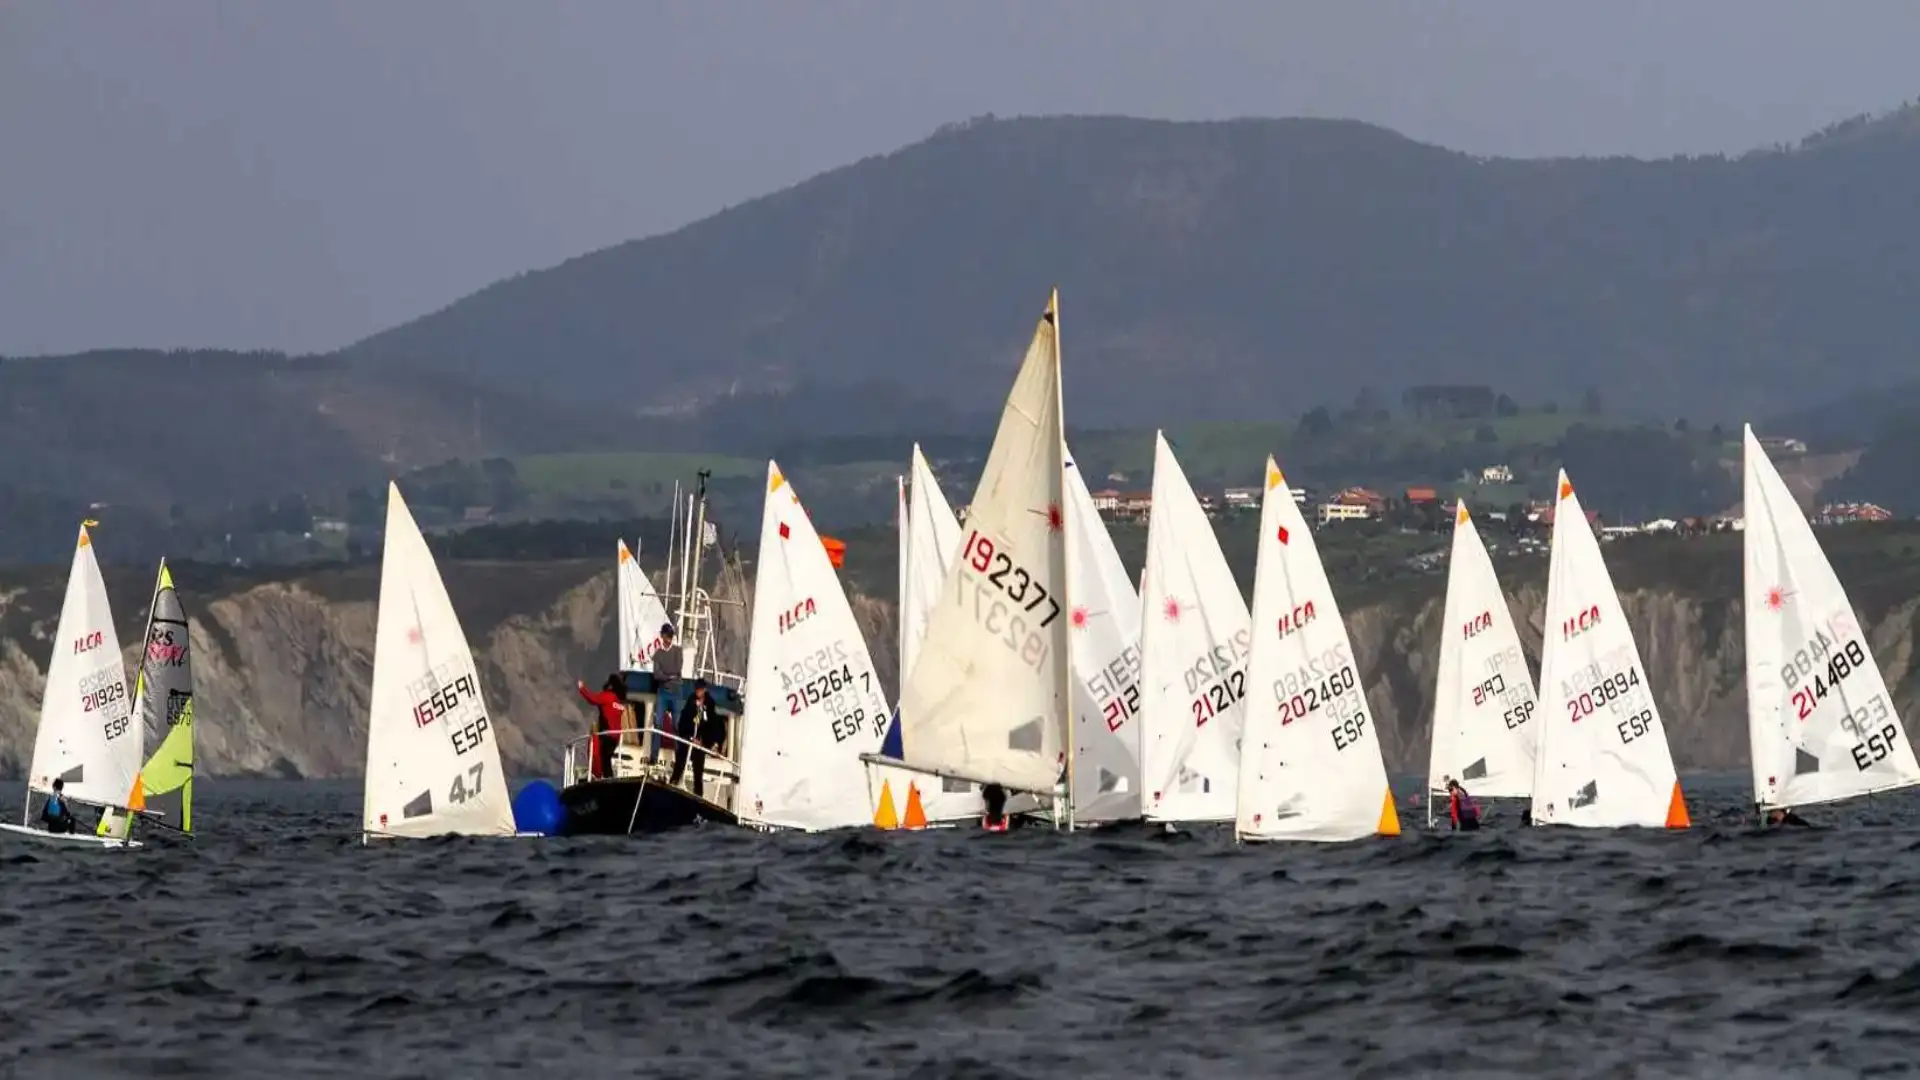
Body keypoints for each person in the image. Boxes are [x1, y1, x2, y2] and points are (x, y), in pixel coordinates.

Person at [671, 680, 721, 799]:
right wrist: (687, 736)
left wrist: (705, 741)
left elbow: (712, 725)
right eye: (697, 689)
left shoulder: (710, 704)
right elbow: (685, 719)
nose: (698, 691)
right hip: (689, 737)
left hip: (700, 741)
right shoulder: (690, 701)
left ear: (704, 690)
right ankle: (673, 782)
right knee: (680, 760)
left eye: (700, 689)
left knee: (698, 770)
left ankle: (698, 795)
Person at [577, 673, 628, 780]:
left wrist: (582, 688)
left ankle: (608, 779)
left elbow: (592, 699)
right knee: (607, 757)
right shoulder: (620, 703)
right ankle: (608, 777)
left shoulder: (607, 697)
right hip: (616, 737)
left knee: (604, 758)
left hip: (607, 734)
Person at [650, 624, 684, 762]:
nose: (669, 638)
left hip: (676, 693)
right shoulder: (657, 654)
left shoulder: (678, 651)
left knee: (677, 725)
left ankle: (679, 758)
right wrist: (669, 676)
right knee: (658, 724)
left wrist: (665, 674)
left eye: (671, 636)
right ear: (662, 636)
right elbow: (656, 675)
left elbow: (677, 668)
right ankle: (653, 756)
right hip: (662, 693)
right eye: (667, 636)